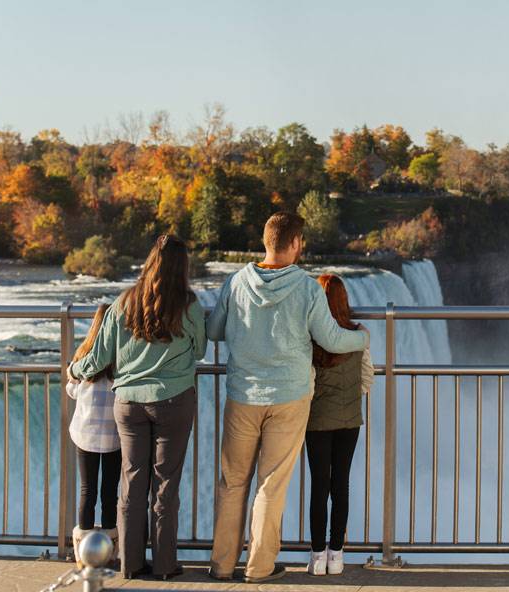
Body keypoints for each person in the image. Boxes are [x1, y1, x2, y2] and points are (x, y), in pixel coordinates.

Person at [207, 212, 369, 584]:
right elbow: (331, 339)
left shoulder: (235, 282)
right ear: (295, 244)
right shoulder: (308, 288)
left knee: (232, 483)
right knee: (270, 484)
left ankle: (221, 565)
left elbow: (215, 330)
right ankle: (259, 567)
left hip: (242, 395)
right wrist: (362, 339)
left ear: (265, 241)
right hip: (290, 397)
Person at [69, 234, 207, 581]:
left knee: (132, 482)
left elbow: (99, 356)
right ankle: (164, 565)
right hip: (173, 402)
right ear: (182, 268)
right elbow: (201, 350)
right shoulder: (188, 305)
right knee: (165, 484)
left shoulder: (123, 303)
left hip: (128, 403)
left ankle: (130, 564)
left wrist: (75, 370)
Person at [304, 275, 374, 576]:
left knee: (319, 486)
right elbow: (367, 378)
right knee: (340, 484)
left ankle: (317, 557)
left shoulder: (310, 337)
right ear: (345, 301)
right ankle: (337, 554)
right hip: (349, 421)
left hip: (317, 420)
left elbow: (305, 381)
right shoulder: (359, 334)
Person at [67, 303, 120, 567]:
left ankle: (83, 552)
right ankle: (110, 550)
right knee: (109, 491)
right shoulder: (120, 356)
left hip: (85, 433)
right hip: (114, 436)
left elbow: (72, 390)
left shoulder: (83, 354)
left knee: (87, 490)